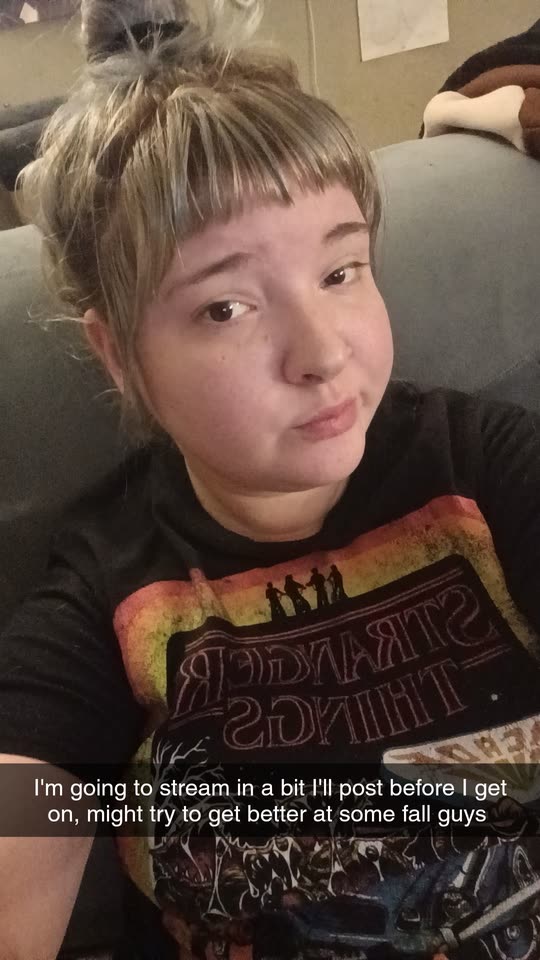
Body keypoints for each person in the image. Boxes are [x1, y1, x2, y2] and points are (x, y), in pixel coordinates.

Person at [1, 1, 540, 958]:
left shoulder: (489, 469)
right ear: (120, 355)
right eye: (226, 307)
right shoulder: (106, 595)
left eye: (341, 271)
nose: (323, 354)